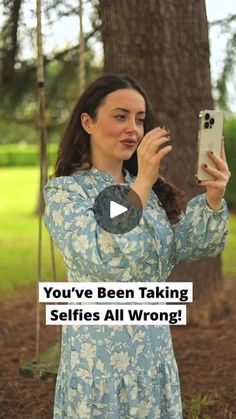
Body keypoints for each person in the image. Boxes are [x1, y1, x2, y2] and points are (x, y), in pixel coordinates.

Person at [44, 74, 230, 419]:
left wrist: (214, 198)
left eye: (140, 119)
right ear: (88, 122)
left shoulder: (148, 191)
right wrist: (143, 182)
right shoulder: (68, 193)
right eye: (120, 116)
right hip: (98, 364)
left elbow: (188, 247)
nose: (133, 128)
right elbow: (101, 250)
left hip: (153, 353)